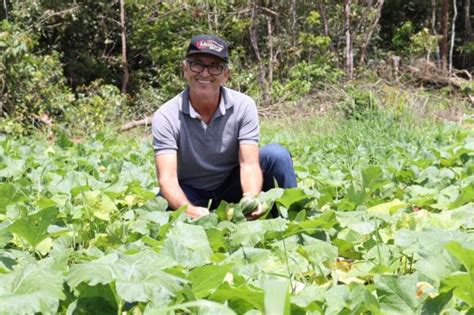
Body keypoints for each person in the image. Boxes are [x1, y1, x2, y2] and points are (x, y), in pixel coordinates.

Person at [152, 34, 297, 219]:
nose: (204, 73)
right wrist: (189, 210)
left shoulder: (243, 105)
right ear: (185, 69)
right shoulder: (166, 116)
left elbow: (249, 164)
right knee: (161, 208)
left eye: (214, 67)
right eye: (197, 64)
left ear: (226, 74)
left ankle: (291, 222)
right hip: (191, 191)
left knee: (277, 155)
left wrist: (250, 197)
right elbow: (167, 180)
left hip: (232, 185)